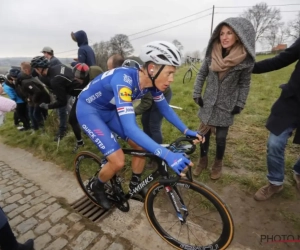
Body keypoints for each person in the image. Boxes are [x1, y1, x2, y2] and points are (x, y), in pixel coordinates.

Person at [76, 41, 204, 209]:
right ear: (152, 69)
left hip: (109, 110)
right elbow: (130, 129)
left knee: (140, 147)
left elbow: (165, 109)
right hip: (89, 111)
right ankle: (97, 186)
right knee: (118, 161)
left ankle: (135, 186)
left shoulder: (151, 83)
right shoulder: (124, 81)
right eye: (169, 73)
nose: (172, 79)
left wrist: (187, 130)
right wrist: (166, 155)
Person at [192, 17, 255, 180]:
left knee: (221, 138)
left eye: (229, 33)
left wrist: (240, 103)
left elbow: (244, 84)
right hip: (208, 102)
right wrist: (197, 93)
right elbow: (201, 74)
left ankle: (217, 164)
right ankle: (203, 161)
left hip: (227, 105)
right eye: (222, 33)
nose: (225, 37)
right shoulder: (211, 53)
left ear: (238, 36)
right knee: (203, 134)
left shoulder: (245, 60)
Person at [252, 38, 300, 201]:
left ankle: (299, 172)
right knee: (275, 143)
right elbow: (282, 59)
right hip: (293, 101)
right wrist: (251, 67)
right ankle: (275, 182)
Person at [30, 56, 79, 141]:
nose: (35, 71)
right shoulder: (58, 66)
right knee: (69, 112)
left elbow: (62, 102)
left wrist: (48, 106)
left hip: (78, 92)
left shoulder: (55, 80)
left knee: (72, 117)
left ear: (39, 68)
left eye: (36, 69)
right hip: (75, 87)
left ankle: (64, 132)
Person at [70, 63, 103, 152]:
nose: (76, 80)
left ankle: (102, 140)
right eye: (75, 78)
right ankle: (80, 142)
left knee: (95, 118)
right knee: (72, 118)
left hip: (94, 95)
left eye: (78, 79)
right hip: (81, 96)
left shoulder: (95, 73)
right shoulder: (77, 78)